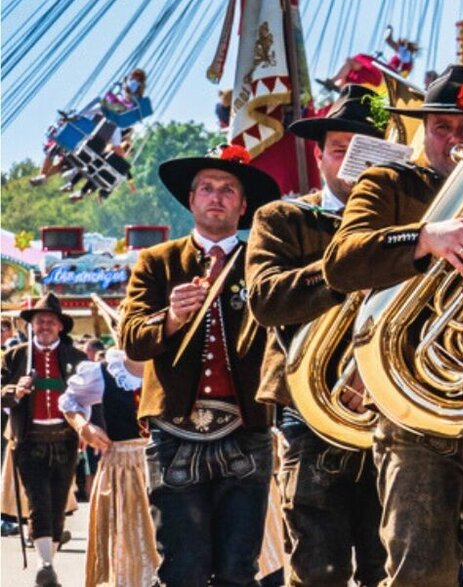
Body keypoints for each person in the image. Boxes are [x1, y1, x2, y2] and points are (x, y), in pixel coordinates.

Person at [322, 65, 463, 587]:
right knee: (420, 572)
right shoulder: (389, 183)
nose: (456, 139)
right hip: (412, 414)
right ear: (422, 130)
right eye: (443, 127)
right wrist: (423, 238)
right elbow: (341, 262)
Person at [243, 84, 391, 587]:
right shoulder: (283, 217)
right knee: (316, 562)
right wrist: (349, 266)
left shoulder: (407, 223)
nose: (349, 164)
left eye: (363, 153)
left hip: (391, 404)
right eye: (338, 151)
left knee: (389, 560)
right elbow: (265, 299)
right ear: (319, 155)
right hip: (309, 409)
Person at [119, 143, 284, 587]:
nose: (216, 196)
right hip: (175, 431)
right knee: (183, 570)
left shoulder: (264, 262)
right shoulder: (156, 262)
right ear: (191, 200)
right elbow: (130, 336)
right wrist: (170, 318)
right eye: (206, 188)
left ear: (244, 204)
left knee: (237, 570)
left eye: (228, 189)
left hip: (247, 430)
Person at [3, 293, 86, 585]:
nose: (45, 326)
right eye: (40, 321)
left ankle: (48, 565)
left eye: (51, 321)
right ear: (32, 325)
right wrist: (15, 390)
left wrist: (89, 429)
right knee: (39, 502)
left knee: (58, 502)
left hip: (65, 440)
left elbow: (91, 399)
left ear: (61, 327)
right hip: (29, 441)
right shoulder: (15, 357)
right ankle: (44, 563)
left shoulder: (76, 357)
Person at [60, 342, 159, 586]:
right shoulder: (103, 372)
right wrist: (85, 427)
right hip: (122, 469)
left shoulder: (168, 367)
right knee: (128, 545)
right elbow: (69, 403)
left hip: (165, 463)